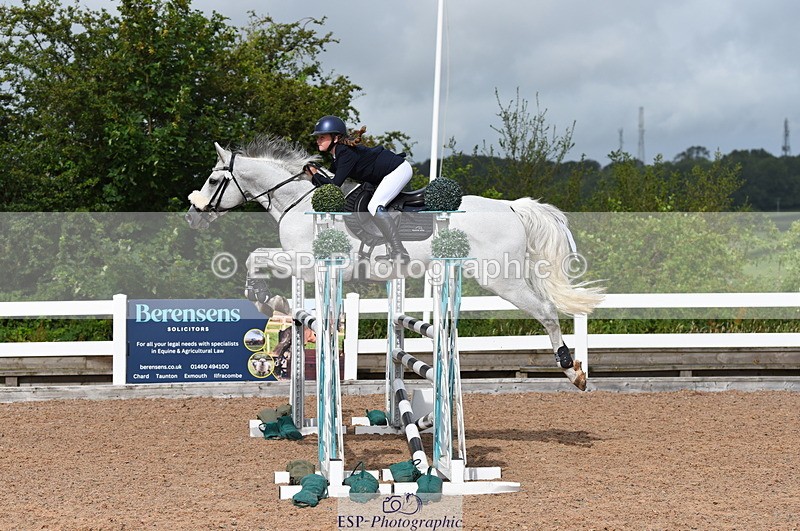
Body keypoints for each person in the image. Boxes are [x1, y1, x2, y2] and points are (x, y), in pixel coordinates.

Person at [305, 115, 412, 262]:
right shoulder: (338, 156)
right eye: (317, 137)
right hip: (386, 173)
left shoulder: (345, 153)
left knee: (374, 205)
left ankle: (400, 252)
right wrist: (316, 175)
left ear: (336, 138)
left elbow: (334, 186)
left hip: (398, 169)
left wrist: (314, 176)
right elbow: (330, 179)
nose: (318, 140)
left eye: (322, 137)